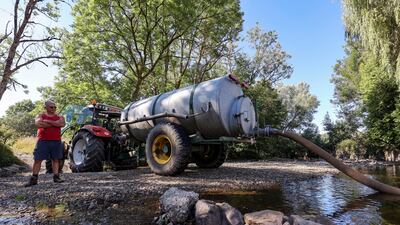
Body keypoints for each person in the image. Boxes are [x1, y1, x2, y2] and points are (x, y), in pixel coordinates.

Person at [24, 100, 66, 187]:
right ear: (45, 107)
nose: (53, 108)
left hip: (56, 141)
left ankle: (56, 177)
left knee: (56, 159)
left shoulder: (60, 117)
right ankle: (34, 179)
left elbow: (62, 123)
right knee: (38, 159)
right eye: (51, 107)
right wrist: (55, 124)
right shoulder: (40, 116)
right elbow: (39, 124)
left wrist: (48, 121)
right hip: (43, 141)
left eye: (55, 107)